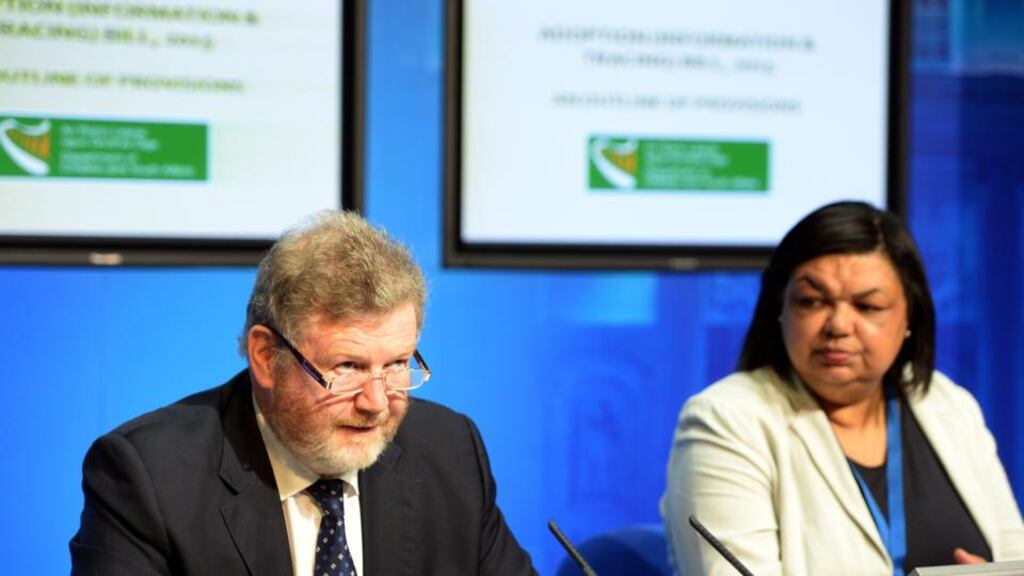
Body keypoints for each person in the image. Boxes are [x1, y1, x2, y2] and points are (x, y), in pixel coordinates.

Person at [71, 212, 536, 575]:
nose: (376, 403)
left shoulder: (451, 452)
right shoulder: (151, 477)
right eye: (347, 367)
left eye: (397, 364)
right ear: (265, 356)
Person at [661, 201, 1024, 575]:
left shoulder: (947, 404)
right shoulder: (725, 421)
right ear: (779, 308)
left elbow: (1015, 559)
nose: (838, 325)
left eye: (868, 306)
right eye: (812, 301)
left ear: (909, 317)